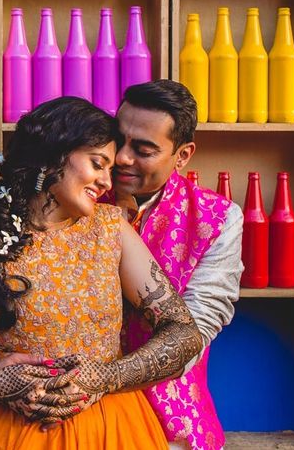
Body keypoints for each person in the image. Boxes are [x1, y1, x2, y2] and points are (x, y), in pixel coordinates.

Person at [0, 97, 203, 449]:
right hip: (14, 434)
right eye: (98, 164)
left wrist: (105, 377)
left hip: (113, 430)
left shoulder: (111, 230)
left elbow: (184, 333)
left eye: (110, 170)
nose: (105, 181)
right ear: (52, 156)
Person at [109, 80, 244, 450]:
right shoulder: (74, 194)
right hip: (70, 412)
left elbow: (195, 332)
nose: (121, 157)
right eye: (117, 139)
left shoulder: (219, 219)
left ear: (182, 155)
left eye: (143, 149)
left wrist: (102, 379)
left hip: (170, 422)